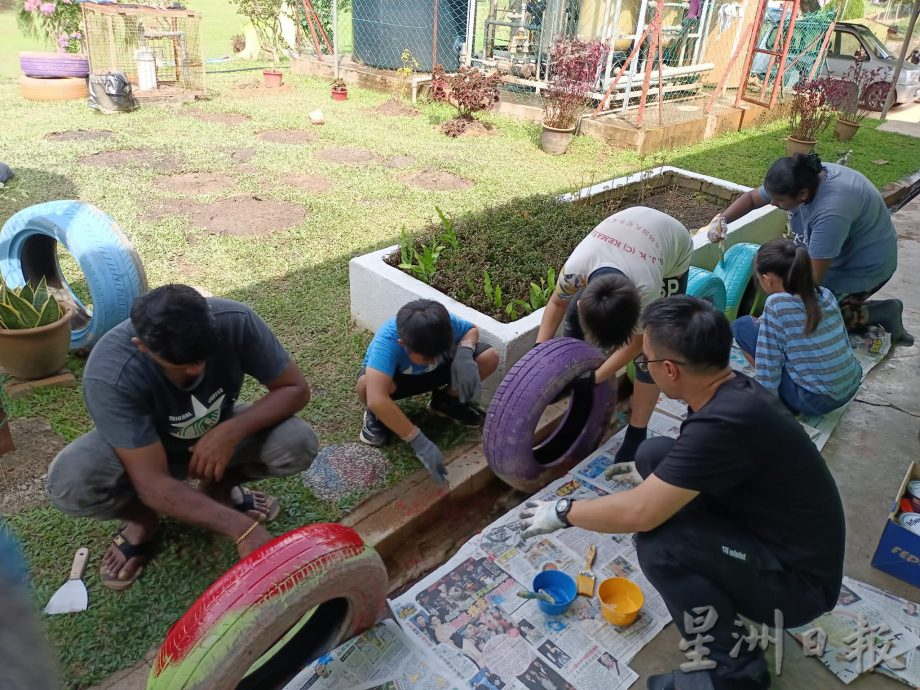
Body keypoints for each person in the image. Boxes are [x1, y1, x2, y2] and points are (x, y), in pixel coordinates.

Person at [520, 296, 845, 690]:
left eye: (647, 360)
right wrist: (654, 480)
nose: (645, 366)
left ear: (670, 370)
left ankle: (734, 673)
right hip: (769, 531)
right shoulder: (726, 392)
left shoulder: (727, 422)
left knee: (661, 545)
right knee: (653, 455)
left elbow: (641, 514)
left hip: (797, 583)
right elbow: (692, 463)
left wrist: (564, 510)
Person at [47, 285, 318, 590]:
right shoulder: (110, 373)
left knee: (297, 442)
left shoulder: (236, 320)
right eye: (184, 366)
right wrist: (243, 529)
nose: (197, 369)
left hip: (219, 429)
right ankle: (144, 522)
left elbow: (295, 389)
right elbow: (152, 482)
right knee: (71, 483)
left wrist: (230, 432)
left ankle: (219, 489)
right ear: (143, 347)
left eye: (204, 358)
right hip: (144, 450)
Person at [535, 206, 694, 463]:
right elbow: (556, 304)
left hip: (672, 247)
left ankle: (636, 433)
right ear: (581, 301)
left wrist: (596, 377)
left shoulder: (647, 289)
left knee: (650, 355)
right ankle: (574, 381)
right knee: (574, 323)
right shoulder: (576, 270)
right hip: (628, 232)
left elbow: (638, 341)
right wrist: (538, 351)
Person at [707, 152, 912, 345]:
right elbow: (752, 199)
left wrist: (780, 314)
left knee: (817, 322)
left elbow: (812, 282)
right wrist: (721, 220)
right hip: (833, 254)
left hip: (863, 267)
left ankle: (884, 311)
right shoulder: (800, 178)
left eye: (778, 201)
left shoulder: (831, 212)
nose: (772, 203)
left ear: (803, 194)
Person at [356, 299, 499, 482]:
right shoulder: (388, 341)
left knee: (488, 357)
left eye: (439, 353)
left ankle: (446, 402)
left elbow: (471, 330)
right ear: (403, 344)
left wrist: (464, 352)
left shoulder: (442, 323)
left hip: (437, 374)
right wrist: (418, 440)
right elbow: (376, 397)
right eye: (427, 357)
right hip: (398, 383)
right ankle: (377, 416)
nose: (433, 360)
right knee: (367, 385)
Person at [732, 238, 862, 416]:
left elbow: (768, 363)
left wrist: (768, 407)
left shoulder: (776, 304)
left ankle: (786, 402)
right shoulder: (825, 293)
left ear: (767, 280)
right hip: (849, 385)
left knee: (742, 326)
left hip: (815, 400)